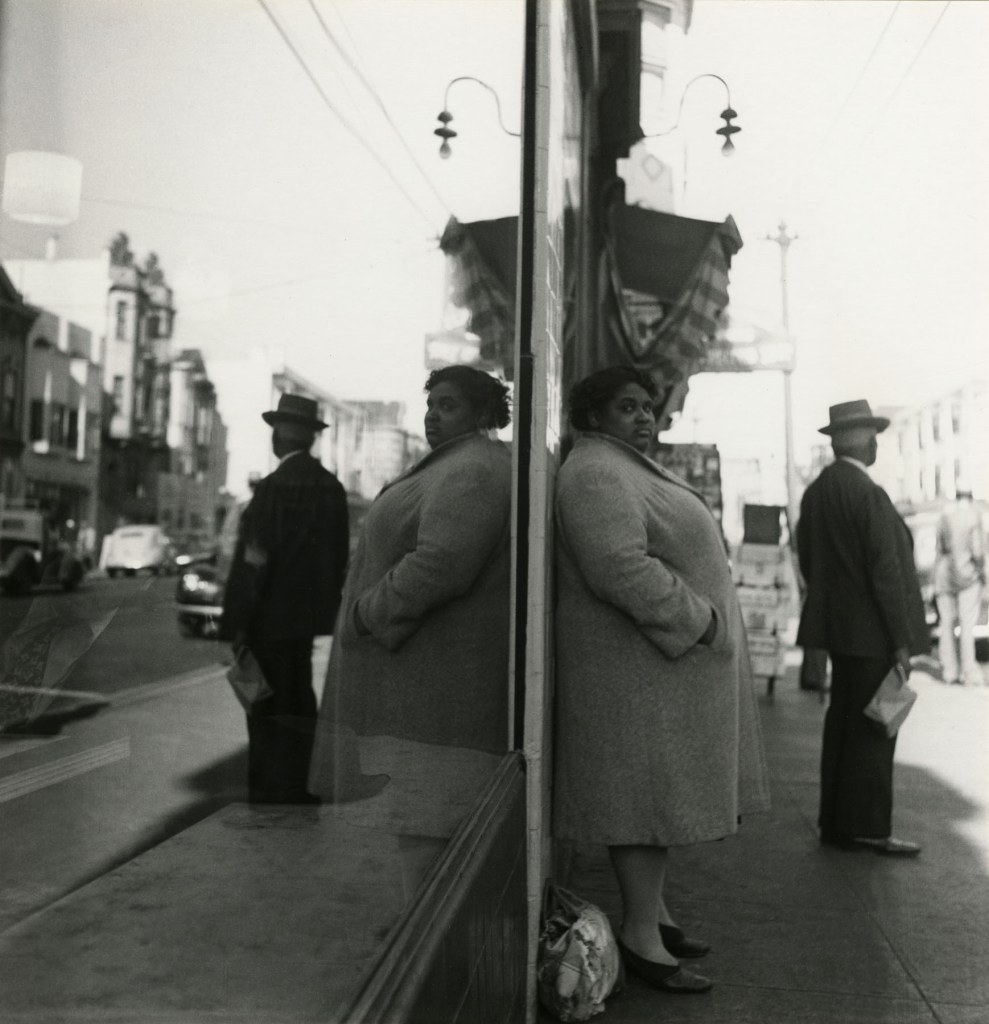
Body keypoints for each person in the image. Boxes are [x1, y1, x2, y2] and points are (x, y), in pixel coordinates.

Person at [553, 366, 770, 996]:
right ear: (592, 417)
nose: (645, 416)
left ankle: (656, 916)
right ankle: (641, 936)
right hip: (635, 673)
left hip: (648, 672)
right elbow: (617, 566)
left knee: (653, 802)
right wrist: (699, 620)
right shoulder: (595, 472)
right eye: (627, 407)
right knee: (643, 806)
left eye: (647, 406)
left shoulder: (618, 465)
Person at [308, 365, 513, 800]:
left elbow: (440, 563)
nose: (432, 415)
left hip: (428, 677)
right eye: (431, 404)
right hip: (420, 672)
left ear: (482, 414)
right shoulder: (458, 462)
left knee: (415, 808)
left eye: (448, 405)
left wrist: (366, 616)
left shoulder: (473, 469)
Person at [797, 399, 929, 855]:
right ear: (856, 440)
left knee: (842, 726)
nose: (876, 444)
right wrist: (900, 641)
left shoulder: (817, 492)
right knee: (876, 729)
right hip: (873, 635)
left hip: (839, 633)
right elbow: (885, 573)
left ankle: (836, 824)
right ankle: (871, 827)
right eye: (872, 436)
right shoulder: (868, 493)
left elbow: (808, 559)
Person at [219, 393, 349, 804]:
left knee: (263, 708)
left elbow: (254, 561)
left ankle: (267, 790)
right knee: (299, 701)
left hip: (265, 623)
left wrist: (238, 624)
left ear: (279, 436)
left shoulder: (272, 489)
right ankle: (299, 786)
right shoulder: (331, 488)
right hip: (303, 624)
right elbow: (337, 558)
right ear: (310, 437)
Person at [933, 486, 986, 686]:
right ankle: (968, 670)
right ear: (970, 498)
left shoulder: (944, 516)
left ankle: (949, 671)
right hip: (967, 576)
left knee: (946, 624)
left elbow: (939, 548)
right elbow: (977, 551)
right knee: (966, 625)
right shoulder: (974, 517)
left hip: (944, 576)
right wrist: (981, 573)